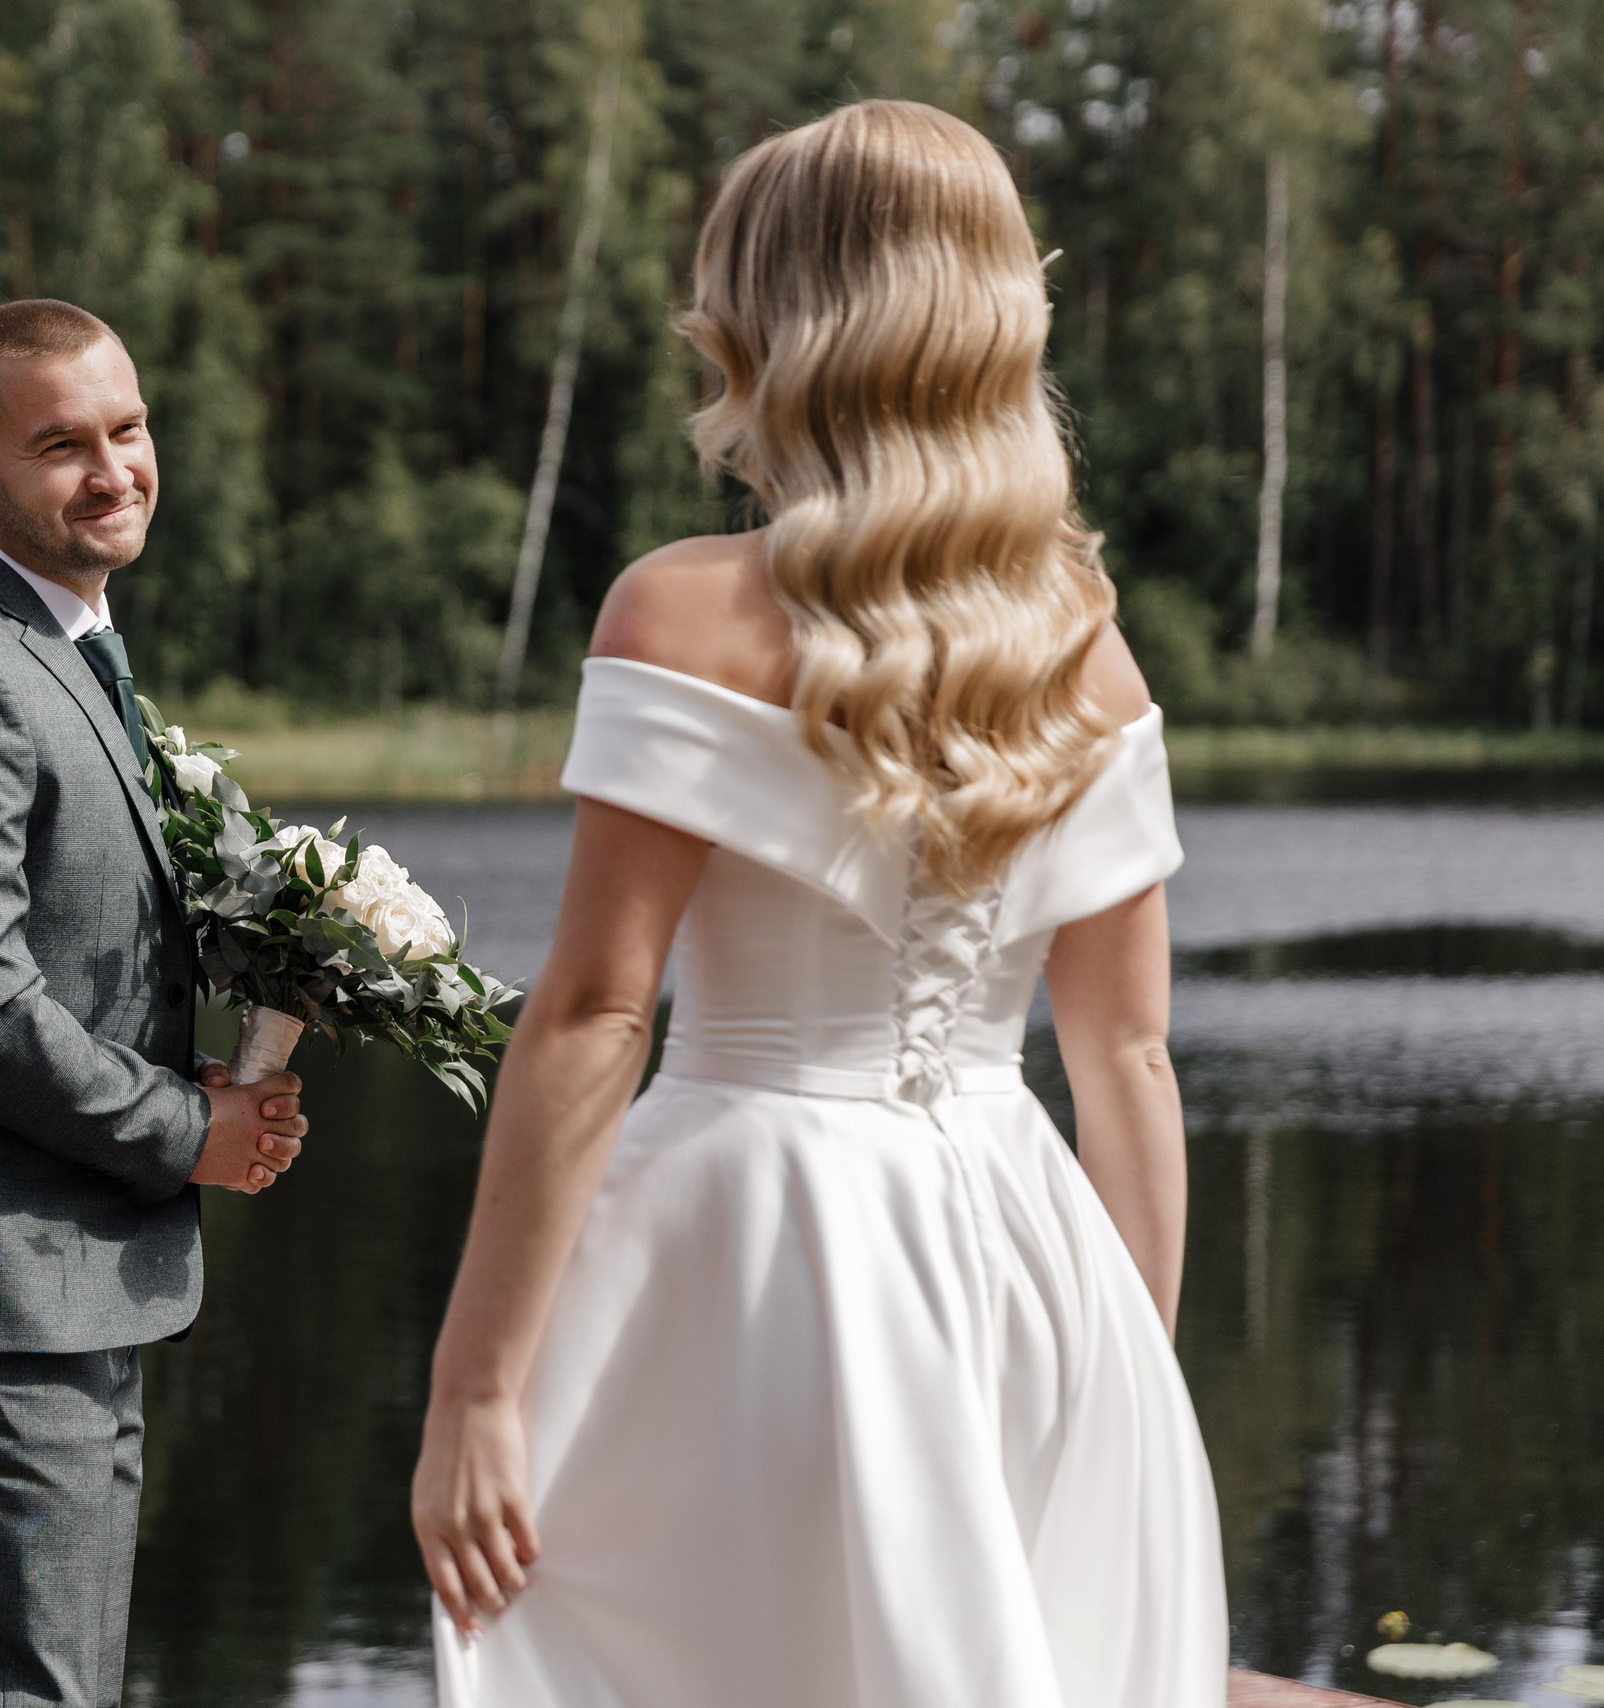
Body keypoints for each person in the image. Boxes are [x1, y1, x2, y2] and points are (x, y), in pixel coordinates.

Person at [410, 101, 1227, 1708]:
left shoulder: (676, 608)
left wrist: (474, 1386)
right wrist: (1138, 1373)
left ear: (763, 320)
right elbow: (1128, 1062)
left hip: (757, 1236)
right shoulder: (1095, 652)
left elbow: (594, 1017)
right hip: (1028, 1241)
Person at [0, 297, 310, 1708]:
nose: (113, 471)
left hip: (69, 1276)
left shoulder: (74, 648)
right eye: (59, 447)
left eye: (130, 428)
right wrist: (184, 1129)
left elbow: (87, 935)